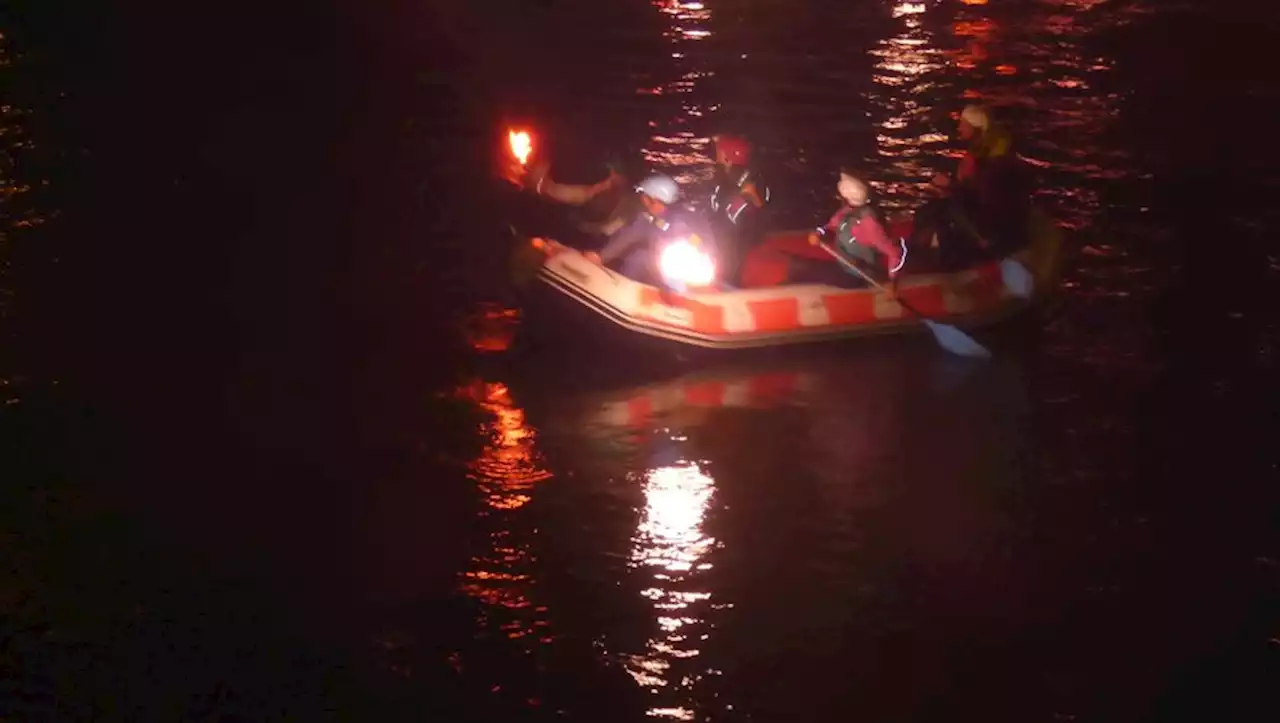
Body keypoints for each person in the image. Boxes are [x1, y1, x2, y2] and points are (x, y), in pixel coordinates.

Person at [912, 104, 1031, 267]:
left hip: (990, 230)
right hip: (982, 215)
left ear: (975, 128)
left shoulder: (989, 164)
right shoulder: (983, 155)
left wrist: (951, 187)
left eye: (963, 124)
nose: (959, 128)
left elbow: (980, 196)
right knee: (927, 212)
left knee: (939, 219)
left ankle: (936, 263)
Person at [585, 174, 716, 285]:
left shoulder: (684, 219)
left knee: (639, 259)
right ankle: (627, 289)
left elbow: (704, 246)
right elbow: (628, 235)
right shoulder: (650, 217)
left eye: (646, 198)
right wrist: (601, 257)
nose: (643, 201)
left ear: (655, 200)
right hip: (669, 265)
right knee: (637, 257)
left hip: (694, 270)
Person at [807, 170, 905, 285]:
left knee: (814, 272)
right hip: (844, 267)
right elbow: (831, 226)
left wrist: (892, 281)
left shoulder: (868, 223)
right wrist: (819, 234)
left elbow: (894, 253)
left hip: (862, 277)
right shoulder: (847, 211)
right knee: (807, 267)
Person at [708, 134, 771, 285]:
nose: (717, 152)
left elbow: (749, 220)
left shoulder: (742, 180)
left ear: (729, 156)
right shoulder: (729, 176)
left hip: (737, 240)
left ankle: (731, 287)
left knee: (729, 268)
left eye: (720, 149)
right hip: (729, 234)